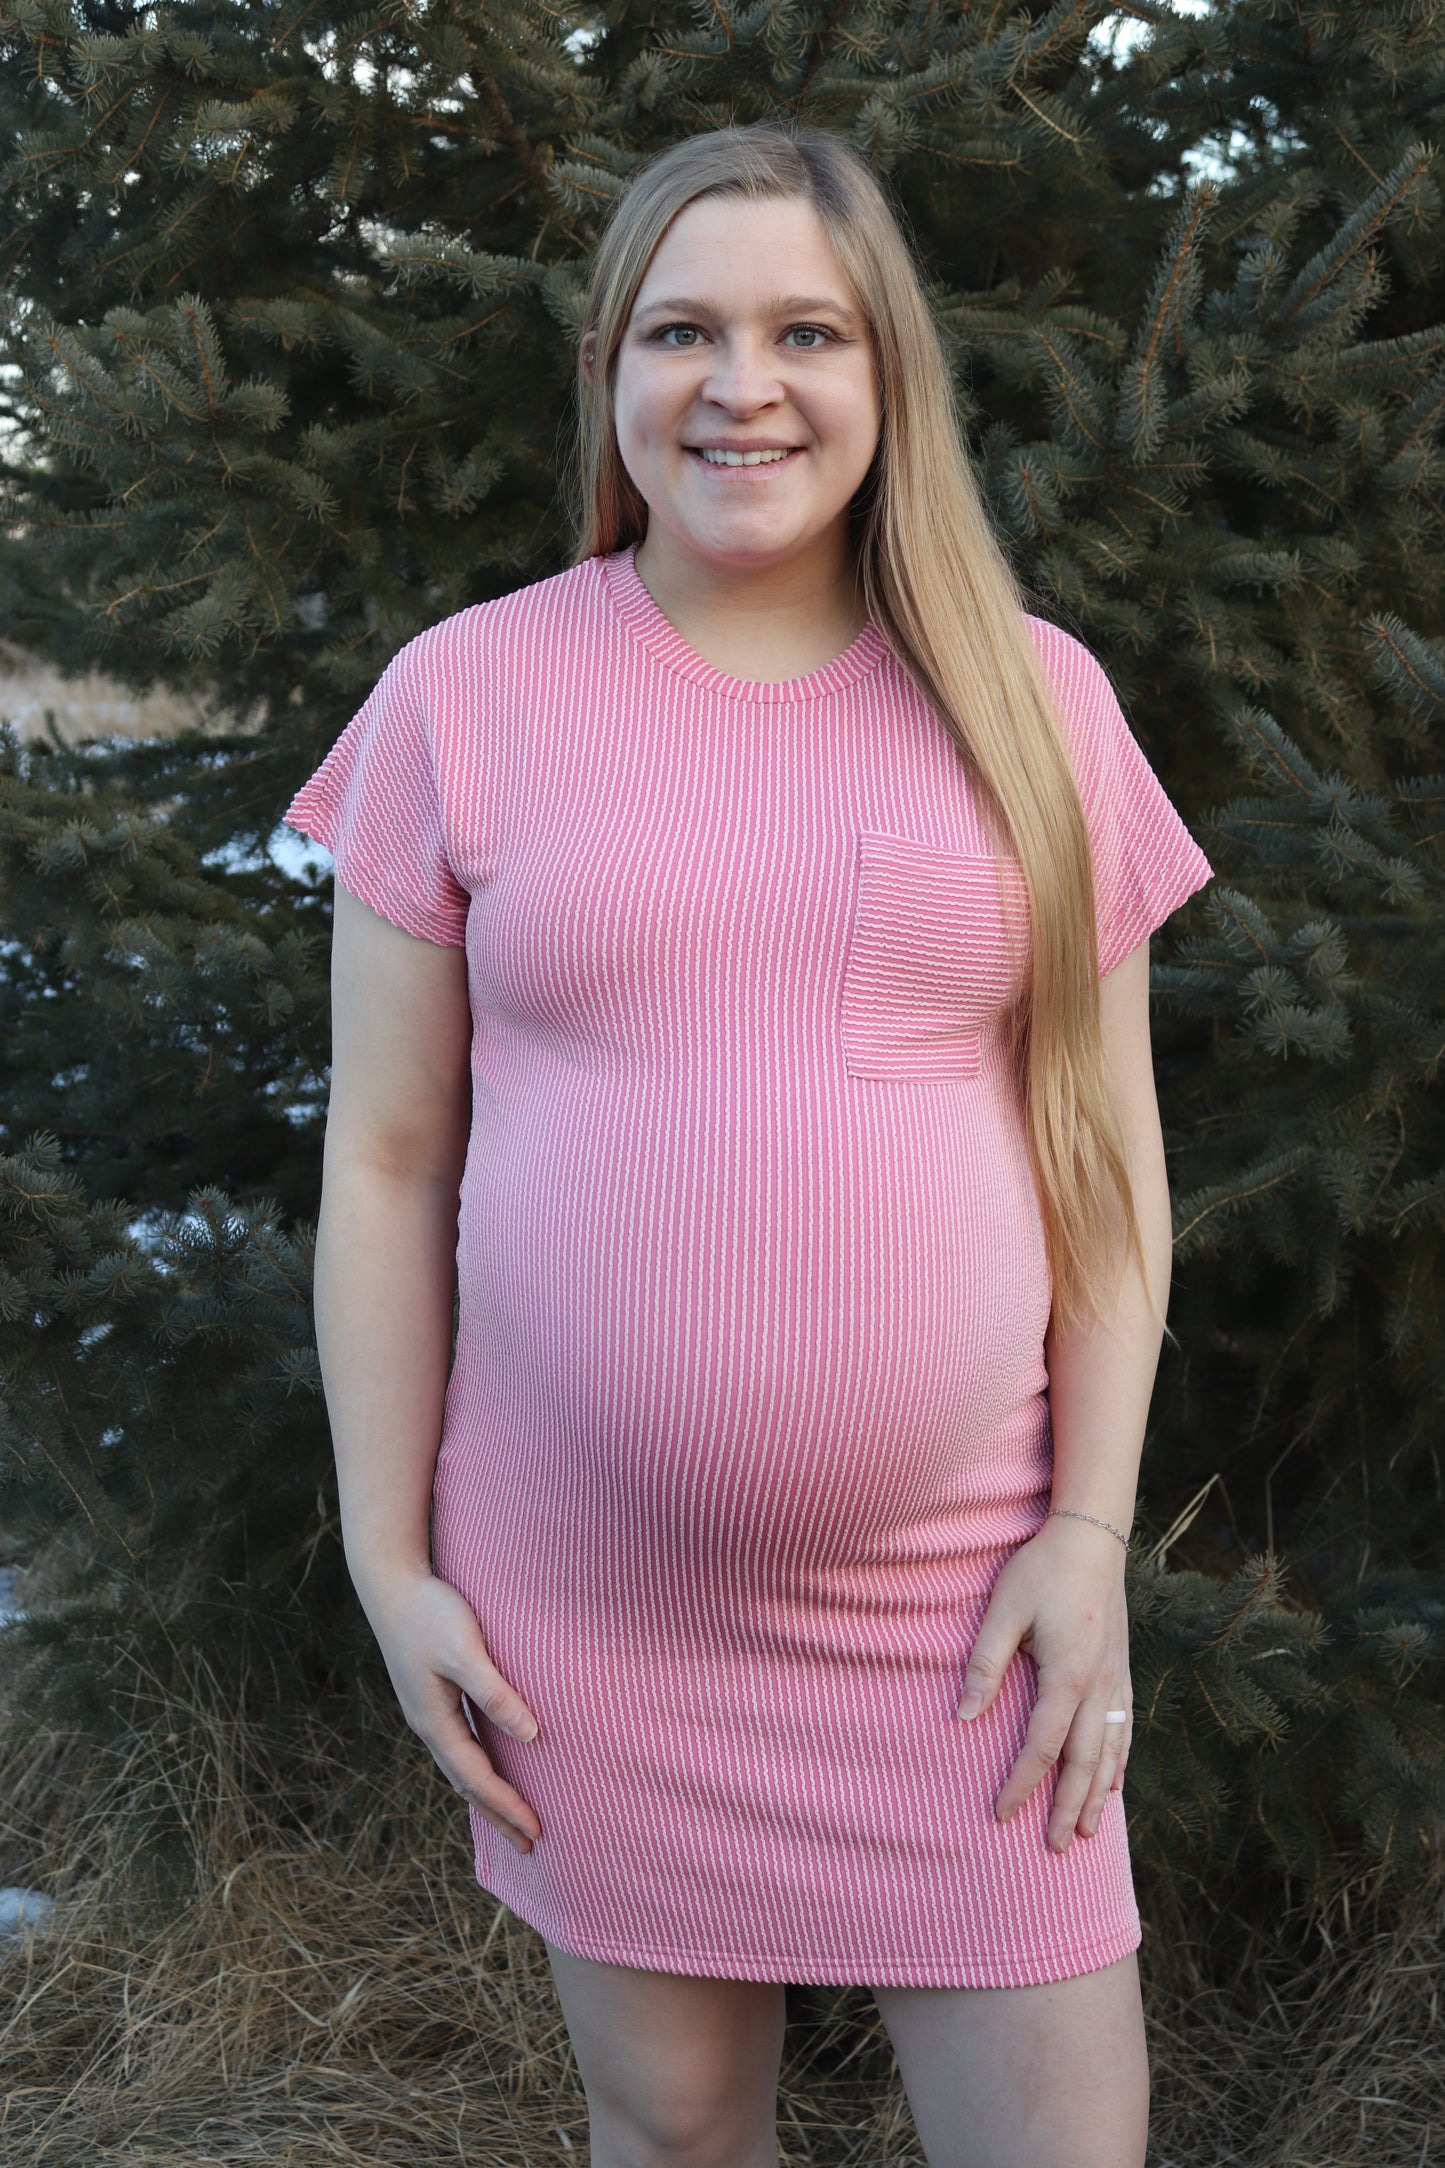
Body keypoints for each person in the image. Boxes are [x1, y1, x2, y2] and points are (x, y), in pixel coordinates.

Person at [284, 122, 1213, 2168]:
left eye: (808, 330)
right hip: (586, 1611)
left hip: (968, 1619)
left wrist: (1087, 1540)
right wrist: (385, 1554)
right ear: (613, 371)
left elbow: (1104, 1163)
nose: (742, 383)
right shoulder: (466, 695)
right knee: (674, 2128)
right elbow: (384, 1165)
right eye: (681, 329)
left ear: (888, 378)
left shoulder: (1036, 706)